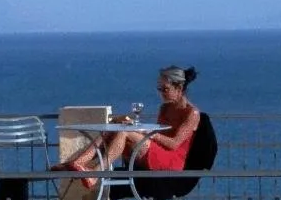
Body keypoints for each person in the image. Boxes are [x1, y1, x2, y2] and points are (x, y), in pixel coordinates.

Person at [55, 66, 200, 189]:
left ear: (179, 88)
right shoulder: (165, 108)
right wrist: (134, 125)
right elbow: (158, 136)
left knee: (125, 132)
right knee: (117, 125)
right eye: (159, 88)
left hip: (171, 161)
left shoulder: (191, 113)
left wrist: (149, 132)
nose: (161, 93)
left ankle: (95, 173)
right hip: (157, 150)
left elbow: (174, 144)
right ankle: (79, 162)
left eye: (165, 89)